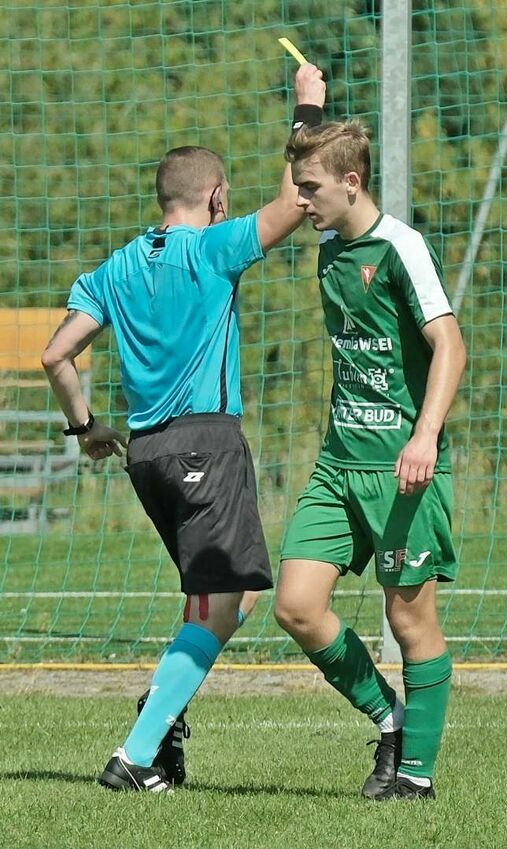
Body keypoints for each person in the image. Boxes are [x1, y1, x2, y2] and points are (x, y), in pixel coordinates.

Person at [41, 63, 327, 792]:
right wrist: (306, 108)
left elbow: (57, 354)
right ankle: (138, 751)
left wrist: (88, 428)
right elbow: (299, 199)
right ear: (217, 197)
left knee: (230, 597)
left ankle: (160, 724)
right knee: (221, 604)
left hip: (149, 454)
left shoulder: (116, 266)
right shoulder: (212, 248)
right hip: (206, 442)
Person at [272, 119, 467, 801]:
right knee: (295, 603)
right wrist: (305, 113)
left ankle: (415, 776)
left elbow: (451, 345)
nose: (301, 200)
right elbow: (290, 186)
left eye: (312, 188)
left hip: (401, 470)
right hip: (338, 465)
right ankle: (390, 719)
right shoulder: (328, 242)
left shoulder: (400, 248)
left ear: (351, 183)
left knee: (411, 619)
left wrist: (425, 435)